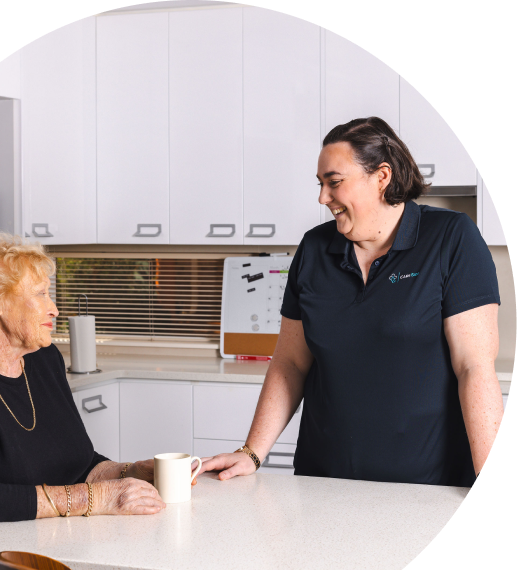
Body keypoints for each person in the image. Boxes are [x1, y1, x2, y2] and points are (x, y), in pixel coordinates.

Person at [198, 117, 502, 487]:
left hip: (426, 486)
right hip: (322, 483)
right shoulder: (314, 249)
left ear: (382, 176)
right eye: (321, 184)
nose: (323, 197)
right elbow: (290, 362)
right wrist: (251, 452)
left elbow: (474, 367)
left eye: (334, 182)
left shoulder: (452, 239)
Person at [0, 232, 167, 532]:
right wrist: (99, 497)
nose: (54, 308)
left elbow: (77, 463)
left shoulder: (43, 359)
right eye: (40, 294)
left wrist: (128, 472)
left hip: (50, 537)